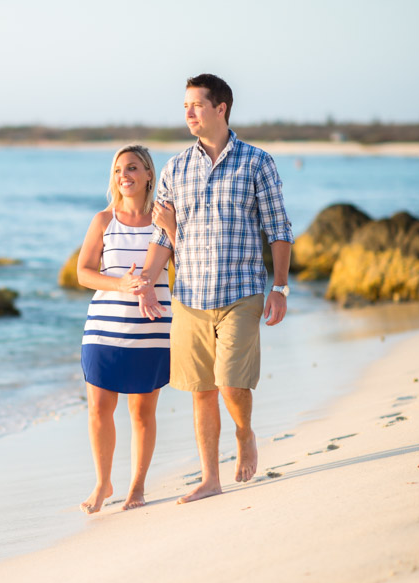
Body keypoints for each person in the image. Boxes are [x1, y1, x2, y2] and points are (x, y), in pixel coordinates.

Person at [137, 74, 294, 503]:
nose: (188, 113)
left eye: (196, 105)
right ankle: (210, 478)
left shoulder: (257, 162)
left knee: (230, 384)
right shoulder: (175, 168)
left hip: (241, 291)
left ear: (220, 108)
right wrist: (148, 282)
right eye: (185, 106)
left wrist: (280, 287)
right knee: (201, 390)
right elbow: (163, 237)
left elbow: (278, 228)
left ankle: (244, 434)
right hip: (189, 296)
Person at [77, 144, 173, 514]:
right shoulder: (104, 220)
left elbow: (187, 258)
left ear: (149, 174)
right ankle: (103, 483)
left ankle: (137, 486)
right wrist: (121, 285)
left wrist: (172, 228)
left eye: (132, 168)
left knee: (141, 413)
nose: (124, 176)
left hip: (151, 329)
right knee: (98, 408)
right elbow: (83, 273)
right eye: (118, 170)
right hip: (103, 329)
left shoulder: (163, 219)